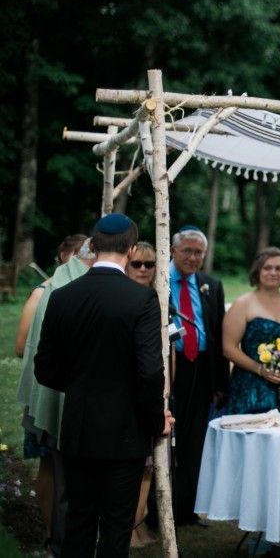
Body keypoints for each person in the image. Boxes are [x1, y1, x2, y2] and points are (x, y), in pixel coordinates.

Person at [34, 213, 172, 555]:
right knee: (116, 530)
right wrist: (157, 422)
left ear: (93, 246)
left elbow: (45, 370)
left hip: (77, 428)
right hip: (125, 434)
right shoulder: (140, 299)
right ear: (131, 249)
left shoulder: (61, 296)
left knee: (78, 523)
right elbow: (150, 372)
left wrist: (83, 386)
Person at [16, 235, 92, 555]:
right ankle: (51, 535)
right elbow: (25, 348)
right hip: (51, 392)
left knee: (60, 474)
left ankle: (59, 536)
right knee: (52, 472)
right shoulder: (46, 292)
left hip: (69, 395)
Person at [168, 226, 227, 525]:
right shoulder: (158, 280)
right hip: (170, 367)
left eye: (198, 252)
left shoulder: (210, 285)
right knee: (167, 438)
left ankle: (188, 506)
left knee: (195, 441)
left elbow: (217, 334)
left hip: (201, 369)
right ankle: (159, 506)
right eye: (187, 251)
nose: (192, 257)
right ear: (173, 251)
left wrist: (219, 384)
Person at [223, 247, 280, 415]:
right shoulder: (242, 304)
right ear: (257, 271)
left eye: (279, 268)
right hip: (250, 387)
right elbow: (228, 348)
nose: (273, 272)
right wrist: (259, 369)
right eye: (267, 268)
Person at [125, 240, 158, 548]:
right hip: (131, 392)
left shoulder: (160, 299)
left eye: (150, 264)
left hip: (157, 389)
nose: (145, 270)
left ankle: (138, 523)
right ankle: (129, 527)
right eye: (138, 264)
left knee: (150, 464)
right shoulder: (127, 300)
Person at [15, 234, 87, 358]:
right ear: (64, 256)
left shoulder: (87, 292)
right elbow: (21, 348)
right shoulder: (40, 293)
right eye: (77, 256)